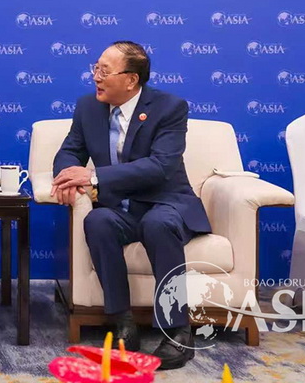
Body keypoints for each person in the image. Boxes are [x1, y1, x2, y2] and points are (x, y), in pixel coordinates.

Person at [51, 41, 211, 370]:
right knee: (97, 221)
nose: (96, 77)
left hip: (166, 203)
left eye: (104, 71)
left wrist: (93, 177)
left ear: (131, 80)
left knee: (157, 224)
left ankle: (178, 330)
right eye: (95, 68)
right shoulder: (88, 107)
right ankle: (122, 323)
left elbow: (160, 167)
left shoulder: (170, 107)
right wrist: (67, 177)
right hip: (120, 209)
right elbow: (69, 152)